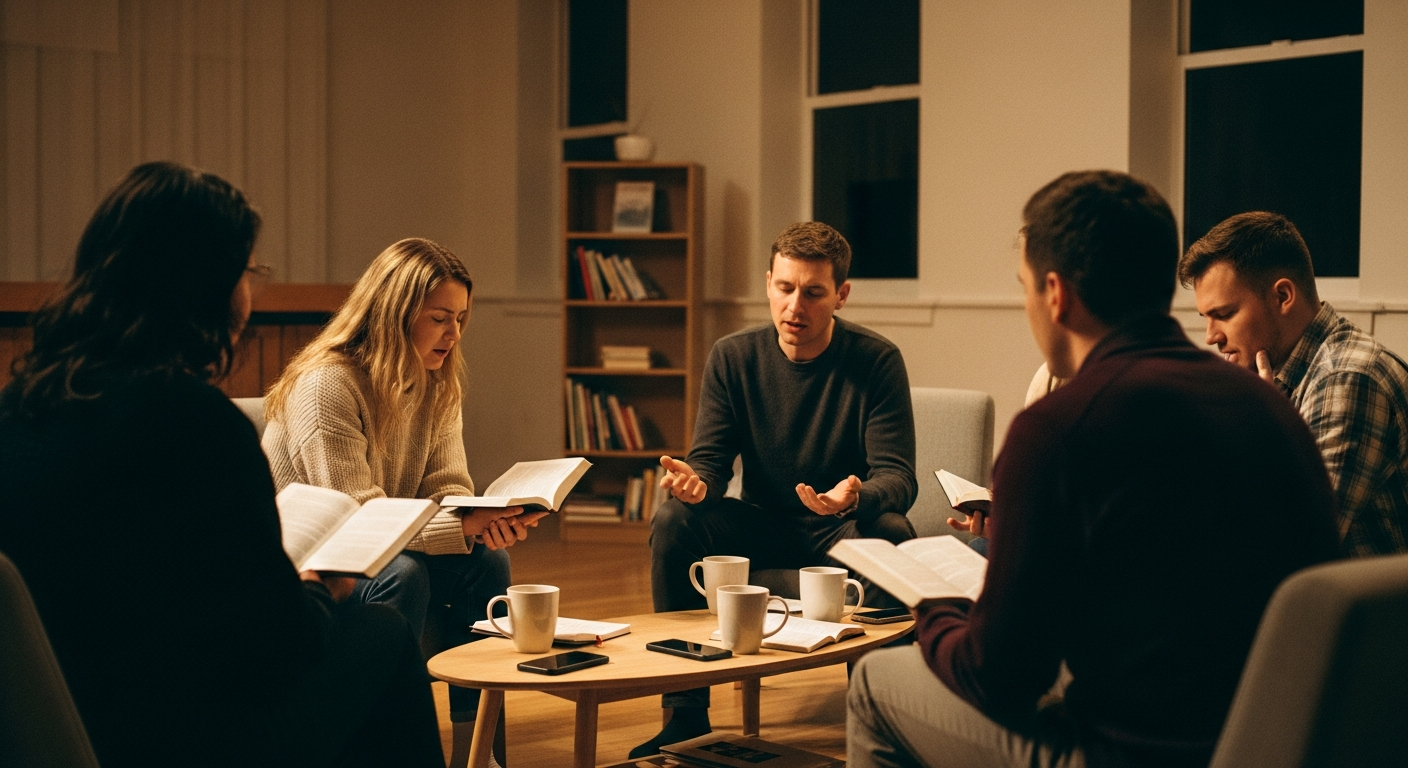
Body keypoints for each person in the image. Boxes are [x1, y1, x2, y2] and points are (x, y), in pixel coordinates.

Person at [846, 171, 1340, 768]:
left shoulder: (1056, 428)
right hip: (1276, 747)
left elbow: (998, 678)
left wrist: (933, 609)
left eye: (1025, 287)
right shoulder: (1270, 406)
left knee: (875, 681)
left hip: (1127, 754)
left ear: (1055, 293)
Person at [0, 161, 443, 767]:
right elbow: (274, 648)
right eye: (246, 272)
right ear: (207, 286)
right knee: (381, 633)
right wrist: (319, 592)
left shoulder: (17, 410)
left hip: (54, 728)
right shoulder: (194, 425)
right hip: (186, 740)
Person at [633, 221, 919, 758]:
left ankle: (880, 719)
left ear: (841, 295)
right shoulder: (733, 356)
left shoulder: (876, 360)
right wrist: (696, 485)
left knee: (893, 532)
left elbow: (899, 477)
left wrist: (854, 495)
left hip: (840, 528)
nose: (795, 306)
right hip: (762, 524)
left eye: (813, 293)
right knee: (674, 520)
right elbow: (711, 464)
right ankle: (684, 714)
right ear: (768, 283)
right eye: (785, 288)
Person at [262, 237, 545, 766]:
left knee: (490, 561)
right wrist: (460, 525)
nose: (454, 334)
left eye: (460, 319)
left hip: (388, 540)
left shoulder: (436, 382)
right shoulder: (328, 385)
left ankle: (479, 753)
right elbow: (356, 519)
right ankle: (380, 748)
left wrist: (482, 522)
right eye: (439, 318)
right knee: (404, 574)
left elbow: (448, 487)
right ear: (394, 314)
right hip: (318, 560)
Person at [1180, 211, 1408, 557]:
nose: (1211, 337)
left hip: (1358, 594)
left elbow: (1293, 544)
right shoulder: (1279, 373)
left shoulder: (1346, 378)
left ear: (1283, 296)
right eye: (1205, 318)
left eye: (1224, 315)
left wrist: (1264, 435)